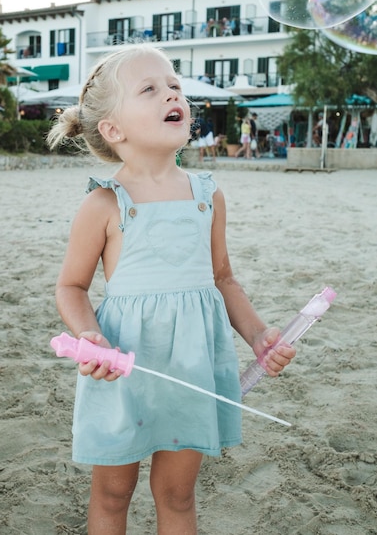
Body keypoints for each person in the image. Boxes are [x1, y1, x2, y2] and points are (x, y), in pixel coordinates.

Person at [47, 44, 295, 535]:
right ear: (113, 130)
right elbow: (71, 286)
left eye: (174, 86)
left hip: (193, 368)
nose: (171, 94)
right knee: (113, 493)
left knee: (177, 495)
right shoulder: (103, 202)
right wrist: (89, 335)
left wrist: (259, 335)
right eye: (150, 89)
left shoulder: (208, 194)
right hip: (123, 369)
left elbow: (223, 279)